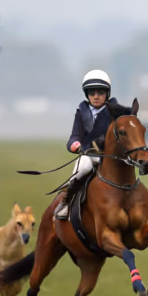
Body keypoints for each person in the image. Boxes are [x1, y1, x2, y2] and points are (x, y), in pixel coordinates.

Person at [56, 70, 123, 220]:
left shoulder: (116, 113)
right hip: (90, 155)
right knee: (82, 168)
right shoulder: (81, 112)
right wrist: (76, 145)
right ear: (87, 95)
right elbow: (74, 136)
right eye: (92, 93)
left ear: (107, 93)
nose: (96, 96)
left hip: (111, 157)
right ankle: (67, 202)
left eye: (100, 92)